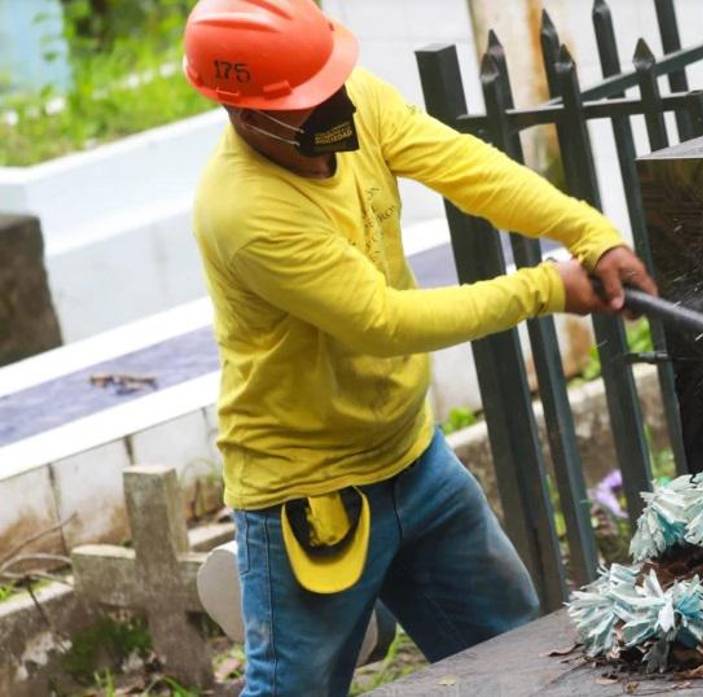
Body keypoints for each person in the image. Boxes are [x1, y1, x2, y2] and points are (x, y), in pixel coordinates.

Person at [182, 1, 657, 694]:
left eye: (332, 80)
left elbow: (466, 166)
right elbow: (384, 321)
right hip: (312, 496)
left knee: (515, 652)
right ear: (249, 114)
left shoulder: (353, 100)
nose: (335, 104)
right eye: (309, 100)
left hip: (415, 461)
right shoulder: (244, 210)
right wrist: (546, 288)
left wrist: (590, 232)